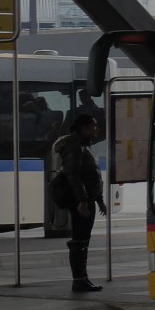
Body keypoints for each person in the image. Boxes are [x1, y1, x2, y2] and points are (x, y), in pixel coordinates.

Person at [52, 113, 107, 293]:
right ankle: (79, 280)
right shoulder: (75, 146)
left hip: (87, 198)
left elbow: (92, 177)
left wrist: (99, 201)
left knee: (83, 240)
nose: (96, 129)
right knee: (80, 240)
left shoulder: (85, 146)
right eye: (94, 126)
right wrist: (82, 201)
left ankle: (82, 279)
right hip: (80, 200)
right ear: (83, 128)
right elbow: (74, 175)